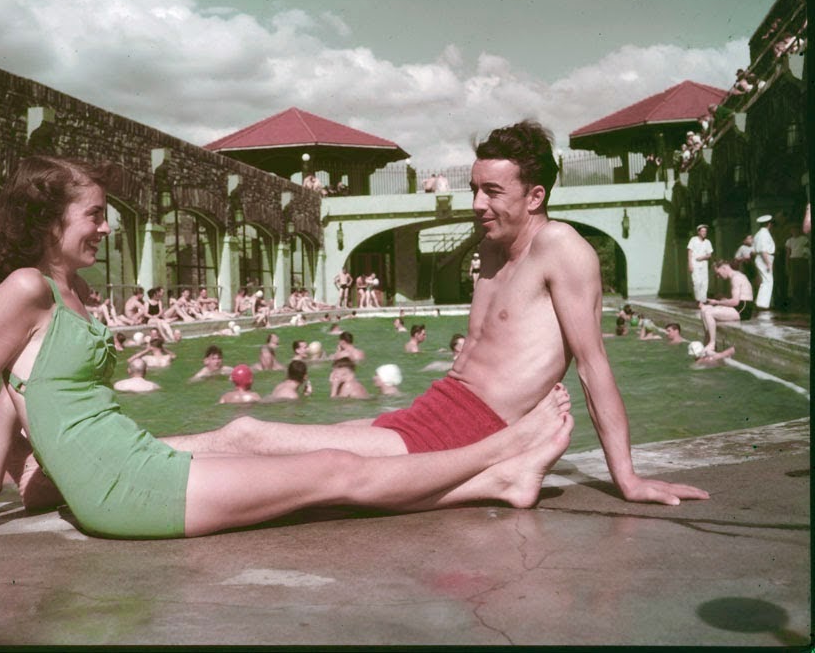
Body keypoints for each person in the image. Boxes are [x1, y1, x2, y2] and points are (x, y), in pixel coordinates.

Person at [0, 155, 577, 561]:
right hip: (126, 489)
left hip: (125, 463)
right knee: (335, 475)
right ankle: (502, 461)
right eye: (93, 214)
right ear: (48, 218)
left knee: (276, 449)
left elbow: (14, 398)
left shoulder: (70, 288)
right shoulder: (25, 288)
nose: (104, 226)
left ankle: (495, 472)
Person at [159, 121, 708, 508]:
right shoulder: (492, 247)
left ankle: (103, 467)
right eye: (474, 189)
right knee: (276, 442)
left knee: (254, 436)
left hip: (473, 430)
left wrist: (627, 478)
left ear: (536, 195)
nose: (476, 204)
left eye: (493, 191)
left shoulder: (562, 249)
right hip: (437, 410)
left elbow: (593, 366)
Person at [698, 259, 755, 353]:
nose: (718, 276)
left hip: (743, 309)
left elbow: (735, 302)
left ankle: (712, 343)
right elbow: (735, 299)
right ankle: (708, 342)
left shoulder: (736, 278)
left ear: (724, 268)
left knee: (709, 313)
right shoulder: (735, 276)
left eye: (718, 273)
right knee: (704, 309)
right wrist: (722, 299)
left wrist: (717, 302)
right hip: (739, 306)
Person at [753, 214, 776, 312]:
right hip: (764, 258)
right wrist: (768, 263)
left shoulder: (759, 233)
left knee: (766, 281)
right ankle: (762, 304)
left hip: (763, 258)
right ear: (769, 224)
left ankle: (764, 303)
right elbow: (763, 250)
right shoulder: (764, 234)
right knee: (767, 281)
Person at [784, 225, 810, 311]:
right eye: (792, 230)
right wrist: (787, 265)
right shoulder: (789, 241)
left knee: (803, 282)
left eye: (796, 229)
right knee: (795, 283)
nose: (794, 231)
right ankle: (797, 303)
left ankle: (804, 303)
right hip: (793, 262)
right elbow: (788, 254)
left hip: (802, 261)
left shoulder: (804, 239)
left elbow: (807, 251)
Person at [686, 224, 713, 304]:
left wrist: (702, 258)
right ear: (698, 232)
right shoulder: (693, 240)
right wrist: (690, 264)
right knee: (697, 282)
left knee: (704, 282)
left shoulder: (708, 242)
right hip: (695, 263)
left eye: (705, 231)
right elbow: (689, 252)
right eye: (702, 231)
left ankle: (703, 301)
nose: (704, 233)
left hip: (704, 263)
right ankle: (698, 299)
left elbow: (709, 255)